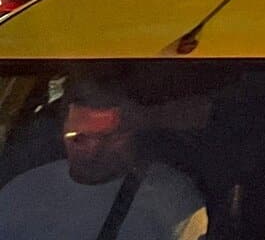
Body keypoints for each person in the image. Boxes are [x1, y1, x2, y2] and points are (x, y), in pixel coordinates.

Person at [0, 80, 208, 240]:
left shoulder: (171, 198)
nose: (93, 150)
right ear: (61, 134)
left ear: (132, 134)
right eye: (79, 138)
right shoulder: (24, 190)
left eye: (109, 138)